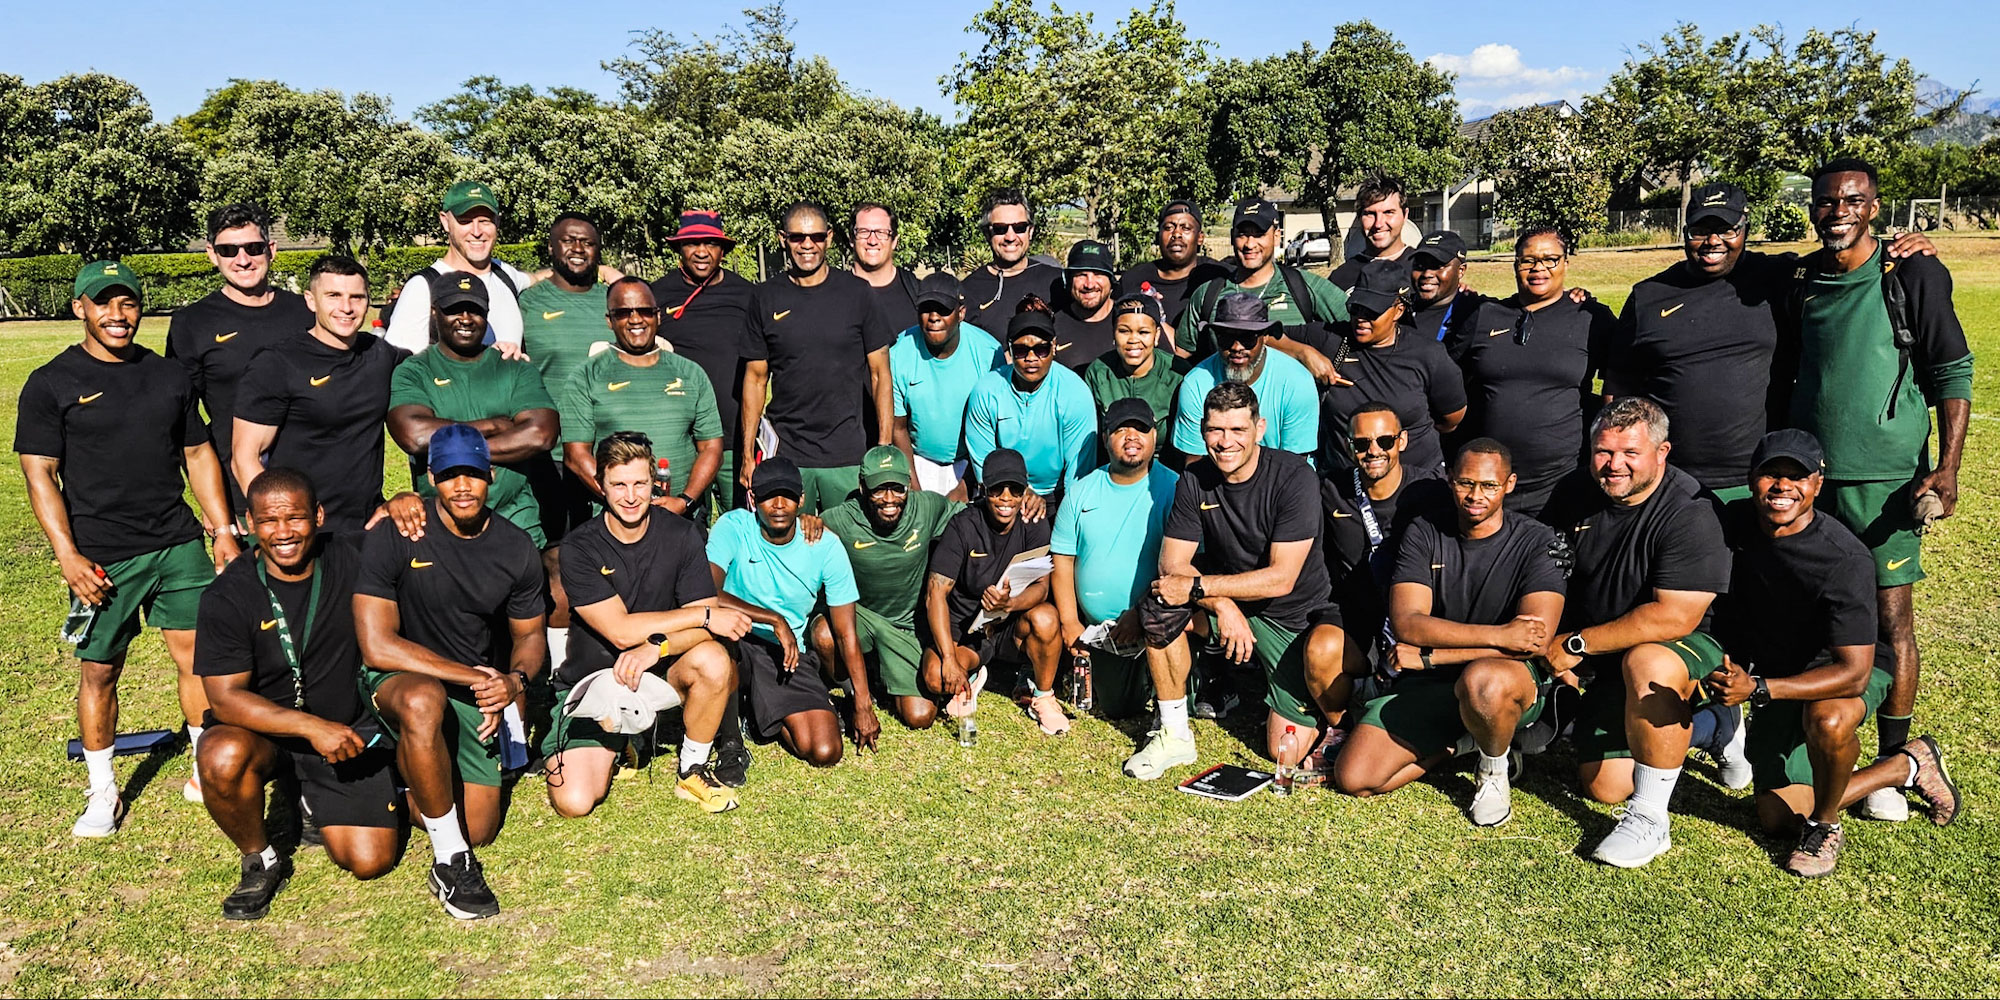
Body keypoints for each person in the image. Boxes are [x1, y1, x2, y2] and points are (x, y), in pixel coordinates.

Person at [18, 260, 242, 835]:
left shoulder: (167, 375)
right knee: (100, 671)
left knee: (198, 658)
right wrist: (68, 555)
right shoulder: (51, 382)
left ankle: (202, 767)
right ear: (80, 309)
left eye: (128, 304)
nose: (118, 316)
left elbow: (197, 454)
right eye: (103, 304)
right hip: (102, 553)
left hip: (176, 542)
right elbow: (40, 473)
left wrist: (219, 530)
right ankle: (103, 793)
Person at [1786, 157, 1974, 824]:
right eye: (1827, 202)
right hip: (1811, 480)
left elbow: (1952, 370)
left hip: (1887, 480)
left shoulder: (1910, 272)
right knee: (1818, 611)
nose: (1838, 212)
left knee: (1892, 618)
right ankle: (1817, 732)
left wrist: (1946, 469)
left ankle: (1897, 758)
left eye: (1852, 200)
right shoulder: (1802, 277)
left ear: (1874, 206)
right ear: (1813, 208)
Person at [1709, 430, 1960, 877]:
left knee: (1827, 719)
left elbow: (1855, 674)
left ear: (1818, 485)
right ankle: (1905, 764)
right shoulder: (1734, 521)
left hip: (1842, 671)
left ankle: (1825, 826)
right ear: (1751, 479)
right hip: (1779, 673)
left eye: (1797, 476)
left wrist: (1760, 688)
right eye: (1771, 474)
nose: (1783, 486)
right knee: (1776, 817)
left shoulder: (1844, 558)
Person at [1606, 181, 1937, 499]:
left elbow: (1846, 259)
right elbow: (1619, 383)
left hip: (1762, 476)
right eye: (1700, 231)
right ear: (1685, 233)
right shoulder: (1648, 296)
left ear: (1745, 230)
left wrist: (1907, 249)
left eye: (1727, 230)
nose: (1713, 241)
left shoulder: (1781, 276)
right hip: (1672, 477)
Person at [353, 424, 546, 920]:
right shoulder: (397, 531)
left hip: (468, 682)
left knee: (480, 824)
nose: (463, 486)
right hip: (397, 678)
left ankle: (409, 773)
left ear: (491, 476)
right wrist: (471, 676)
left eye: (474, 474)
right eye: (450, 474)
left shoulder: (515, 547)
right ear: (431, 477)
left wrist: (513, 682)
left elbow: (529, 637)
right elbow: (377, 645)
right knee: (422, 702)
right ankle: (450, 859)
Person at [192, 469, 400, 919]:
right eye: (268, 521)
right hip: (271, 735)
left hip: (347, 733)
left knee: (371, 861)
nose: (283, 532)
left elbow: (408, 534)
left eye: (296, 518)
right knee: (220, 753)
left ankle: (309, 797)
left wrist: (405, 500)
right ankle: (259, 858)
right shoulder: (226, 595)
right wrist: (310, 727)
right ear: (248, 523)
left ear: (319, 516)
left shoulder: (351, 555)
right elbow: (225, 698)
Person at [1538, 398, 1735, 868]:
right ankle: (1712, 729)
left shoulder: (1691, 511)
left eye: (1630, 452)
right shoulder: (1576, 492)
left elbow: (1673, 617)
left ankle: (1650, 819)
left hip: (1681, 643)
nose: (1614, 464)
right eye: (1604, 452)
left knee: (1648, 661)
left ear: (1662, 452)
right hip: (1607, 646)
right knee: (1603, 785)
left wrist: (1575, 645)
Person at [1334, 439, 1567, 827]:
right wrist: (1498, 636)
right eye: (1465, 483)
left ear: (1509, 484)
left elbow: (1533, 643)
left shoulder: (1538, 541)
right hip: (1434, 682)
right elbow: (1408, 622)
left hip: (1506, 679)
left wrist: (1433, 654)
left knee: (1484, 680)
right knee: (1355, 778)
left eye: (1489, 485)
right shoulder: (1425, 532)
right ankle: (1466, 743)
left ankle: (1494, 771)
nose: (1476, 495)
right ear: (1448, 479)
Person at [546, 432, 754, 817]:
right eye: (619, 484)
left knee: (713, 658)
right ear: (600, 486)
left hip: (657, 673)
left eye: (640, 483)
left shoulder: (682, 533)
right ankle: (623, 741)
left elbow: (711, 629)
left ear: (655, 484)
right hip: (595, 679)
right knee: (574, 802)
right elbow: (622, 631)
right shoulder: (579, 546)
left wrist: (657, 646)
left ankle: (692, 767)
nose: (630, 496)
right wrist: (702, 613)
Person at [1151, 381, 1335, 768]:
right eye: (1215, 430)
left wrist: (1202, 587)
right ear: (1202, 431)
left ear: (1259, 428)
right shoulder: (1194, 479)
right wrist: (1221, 603)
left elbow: (1280, 578)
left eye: (1237, 430)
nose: (1224, 441)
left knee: (1284, 751)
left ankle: (1320, 704)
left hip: (1291, 616)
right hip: (1231, 603)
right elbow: (1172, 567)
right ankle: (1174, 732)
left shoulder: (1294, 476)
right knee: (1160, 607)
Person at [707, 457, 872, 765]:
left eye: (788, 495)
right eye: (769, 495)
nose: (779, 504)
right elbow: (706, 592)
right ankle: (729, 738)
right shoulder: (734, 526)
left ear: (802, 499)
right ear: (753, 499)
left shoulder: (825, 546)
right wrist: (773, 619)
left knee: (825, 751)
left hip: (787, 651)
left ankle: (756, 711)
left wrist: (861, 702)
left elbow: (846, 631)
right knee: (719, 635)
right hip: (736, 640)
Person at [1311, 402, 1452, 760]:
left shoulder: (1432, 491)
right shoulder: (1329, 489)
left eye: (1385, 441)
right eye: (1362, 444)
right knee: (1320, 649)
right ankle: (1340, 726)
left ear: (1402, 441)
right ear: (1348, 446)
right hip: (1356, 614)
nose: (1374, 451)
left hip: (1417, 615)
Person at [233, 255, 410, 533]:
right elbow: (245, 457)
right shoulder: (277, 363)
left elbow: (436, 363)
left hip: (368, 526)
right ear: (310, 300)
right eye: (333, 296)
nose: (347, 308)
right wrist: (281, 524)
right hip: (302, 531)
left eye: (357, 297)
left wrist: (496, 352)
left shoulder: (379, 354)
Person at [741, 201, 897, 513]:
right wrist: (747, 454)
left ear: (829, 237)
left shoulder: (858, 293)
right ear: (783, 239)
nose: (807, 245)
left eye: (816, 237)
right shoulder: (764, 297)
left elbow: (880, 374)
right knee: (790, 550)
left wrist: (884, 445)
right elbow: (756, 379)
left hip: (849, 454)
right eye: (798, 237)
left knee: (851, 552)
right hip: (788, 455)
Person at [388, 271, 560, 547]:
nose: (466, 318)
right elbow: (414, 435)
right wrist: (495, 425)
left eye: (475, 310)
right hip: (441, 529)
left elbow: (542, 433)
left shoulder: (514, 366)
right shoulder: (414, 370)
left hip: (516, 522)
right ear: (435, 312)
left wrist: (453, 453)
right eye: (454, 309)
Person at [165, 203, 315, 509]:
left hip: (317, 483)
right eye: (229, 250)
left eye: (253, 248)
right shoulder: (191, 323)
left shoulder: (307, 312)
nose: (243, 260)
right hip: (240, 496)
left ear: (271, 250)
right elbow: (182, 421)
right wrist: (213, 505)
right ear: (211, 254)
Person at [1455, 227, 1612, 516]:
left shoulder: (1590, 318)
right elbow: (1447, 376)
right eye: (1527, 260)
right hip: (1490, 484)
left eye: (1550, 259)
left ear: (1566, 263)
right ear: (1515, 265)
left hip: (1561, 483)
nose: (1538, 268)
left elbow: (1620, 382)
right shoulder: (1484, 315)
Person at [808, 446, 964, 729]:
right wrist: (805, 521)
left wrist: (1024, 499)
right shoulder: (841, 518)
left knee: (920, 717)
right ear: (862, 486)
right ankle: (852, 689)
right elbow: (797, 535)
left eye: (898, 488)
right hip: (859, 616)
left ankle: (883, 675)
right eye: (879, 490)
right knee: (824, 634)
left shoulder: (926, 507)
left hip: (906, 626)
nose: (890, 499)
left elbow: (972, 519)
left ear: (909, 484)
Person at [1052, 399, 1183, 724]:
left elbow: (1185, 567)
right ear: (1106, 436)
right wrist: (1070, 623)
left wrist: (1142, 612)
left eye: (1140, 428)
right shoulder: (1080, 492)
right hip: (1097, 632)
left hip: (1156, 620)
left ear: (1155, 435)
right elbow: (1063, 560)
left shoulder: (1176, 488)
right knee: (1117, 707)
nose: (1131, 436)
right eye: (1120, 429)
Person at [922, 450, 1066, 735]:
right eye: (997, 489)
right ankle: (972, 673)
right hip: (965, 630)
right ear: (983, 489)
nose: (1005, 497)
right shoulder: (963, 525)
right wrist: (950, 660)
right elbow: (934, 594)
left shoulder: (1034, 522)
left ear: (1025, 491)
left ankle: (1043, 697)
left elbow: (1042, 587)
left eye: (1014, 489)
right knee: (935, 678)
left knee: (1047, 618)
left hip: (1009, 626)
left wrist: (1010, 603)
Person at [558, 278, 725, 522]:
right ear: (609, 320)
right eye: (624, 313)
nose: (636, 319)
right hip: (614, 519)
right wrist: (625, 501)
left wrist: (686, 500)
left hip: (682, 517)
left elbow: (711, 447)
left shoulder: (691, 373)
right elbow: (576, 455)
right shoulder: (586, 376)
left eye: (645, 311)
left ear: (657, 316)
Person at [650, 209, 759, 515]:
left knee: (740, 523)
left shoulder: (747, 294)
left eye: (710, 243)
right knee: (680, 527)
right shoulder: (657, 294)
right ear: (678, 249)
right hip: (680, 440)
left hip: (733, 439)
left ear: (722, 250)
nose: (701, 251)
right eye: (691, 243)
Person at [1319, 259, 1467, 476]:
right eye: (1356, 308)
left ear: (1398, 310)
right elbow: (1269, 335)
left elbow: (1450, 420)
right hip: (1346, 488)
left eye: (1372, 311)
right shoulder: (1332, 340)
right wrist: (1306, 354)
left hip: (1416, 484)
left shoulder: (1428, 354)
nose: (1361, 318)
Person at [1178, 197, 1347, 373]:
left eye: (1259, 234)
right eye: (1242, 234)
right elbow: (1181, 357)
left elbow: (1362, 326)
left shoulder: (1303, 286)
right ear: (1231, 237)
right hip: (1228, 398)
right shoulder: (1207, 295)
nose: (1250, 244)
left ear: (1276, 237)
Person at [964, 311, 1099, 507]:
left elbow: (1078, 473)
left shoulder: (1075, 393)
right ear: (1009, 349)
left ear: (1053, 347)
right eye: (1020, 350)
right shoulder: (986, 391)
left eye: (1041, 349)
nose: (1031, 358)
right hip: (1002, 491)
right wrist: (1019, 491)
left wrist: (1069, 515)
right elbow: (984, 462)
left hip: (1058, 494)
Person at [888, 272, 1005, 498]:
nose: (934, 317)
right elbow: (898, 427)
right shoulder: (899, 353)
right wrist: (914, 487)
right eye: (926, 309)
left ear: (961, 313)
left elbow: (995, 429)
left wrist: (965, 484)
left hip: (972, 463)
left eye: (943, 309)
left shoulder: (988, 352)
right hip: (918, 461)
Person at [382, 181, 532, 353]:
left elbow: (543, 277)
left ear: (497, 222)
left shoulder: (504, 274)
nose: (476, 231)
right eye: (465, 221)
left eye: (484, 221)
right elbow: (403, 370)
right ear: (445, 222)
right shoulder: (423, 288)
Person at [1171, 292, 1319, 463]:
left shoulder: (1297, 382)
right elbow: (1195, 463)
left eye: (1248, 337)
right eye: (1226, 337)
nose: (1236, 347)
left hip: (1284, 480)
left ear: (1265, 337)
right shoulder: (1195, 384)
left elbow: (1294, 465)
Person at [1118, 198, 1228, 344]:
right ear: (1158, 236)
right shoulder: (1133, 279)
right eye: (1169, 227)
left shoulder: (1219, 277)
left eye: (1186, 228)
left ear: (1200, 237)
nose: (1176, 234)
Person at [961, 188, 1063, 337]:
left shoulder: (1057, 282)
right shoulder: (969, 290)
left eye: (1019, 228)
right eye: (1000, 229)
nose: (1010, 236)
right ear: (987, 234)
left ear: (1030, 231)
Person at [1080, 294, 1183, 430]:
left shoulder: (1177, 373)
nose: (1133, 340)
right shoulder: (1098, 373)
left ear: (1156, 335)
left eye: (1143, 332)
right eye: (1124, 331)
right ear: (1113, 334)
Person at [1402, 230, 1487, 348]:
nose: (1427, 274)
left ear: (1461, 271)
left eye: (1438, 266)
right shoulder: (1400, 310)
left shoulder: (1474, 313)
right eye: (1420, 266)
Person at [1327, 174, 1413, 291]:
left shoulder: (1423, 270)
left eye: (1388, 212)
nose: (1378, 224)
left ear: (1405, 215)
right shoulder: (1340, 278)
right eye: (1370, 214)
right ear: (1359, 217)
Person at [849, 202, 920, 336]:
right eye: (864, 232)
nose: (872, 241)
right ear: (852, 239)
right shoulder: (836, 296)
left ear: (894, 241)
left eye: (881, 233)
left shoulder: (918, 294)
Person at [1051, 240, 1118, 370]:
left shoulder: (1130, 319)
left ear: (1111, 280)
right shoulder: (1053, 326)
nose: (1089, 284)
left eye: (1098, 274)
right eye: (1081, 275)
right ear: (1069, 280)